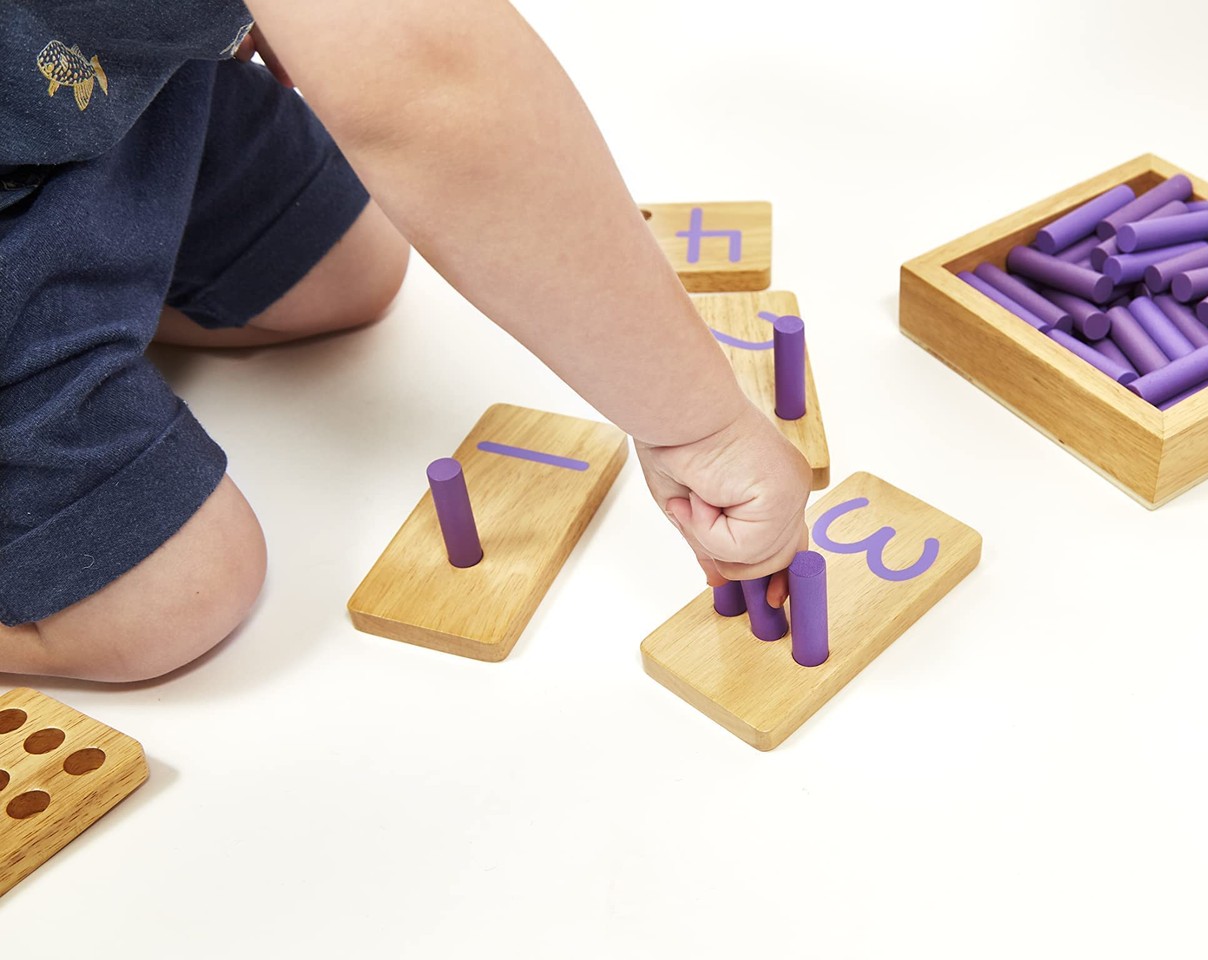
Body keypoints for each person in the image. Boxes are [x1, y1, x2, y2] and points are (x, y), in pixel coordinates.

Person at [0, 1, 811, 682]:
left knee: (349, 265)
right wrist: (701, 427)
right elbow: (433, 84)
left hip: (105, 84)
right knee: (179, 596)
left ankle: (94, 311)